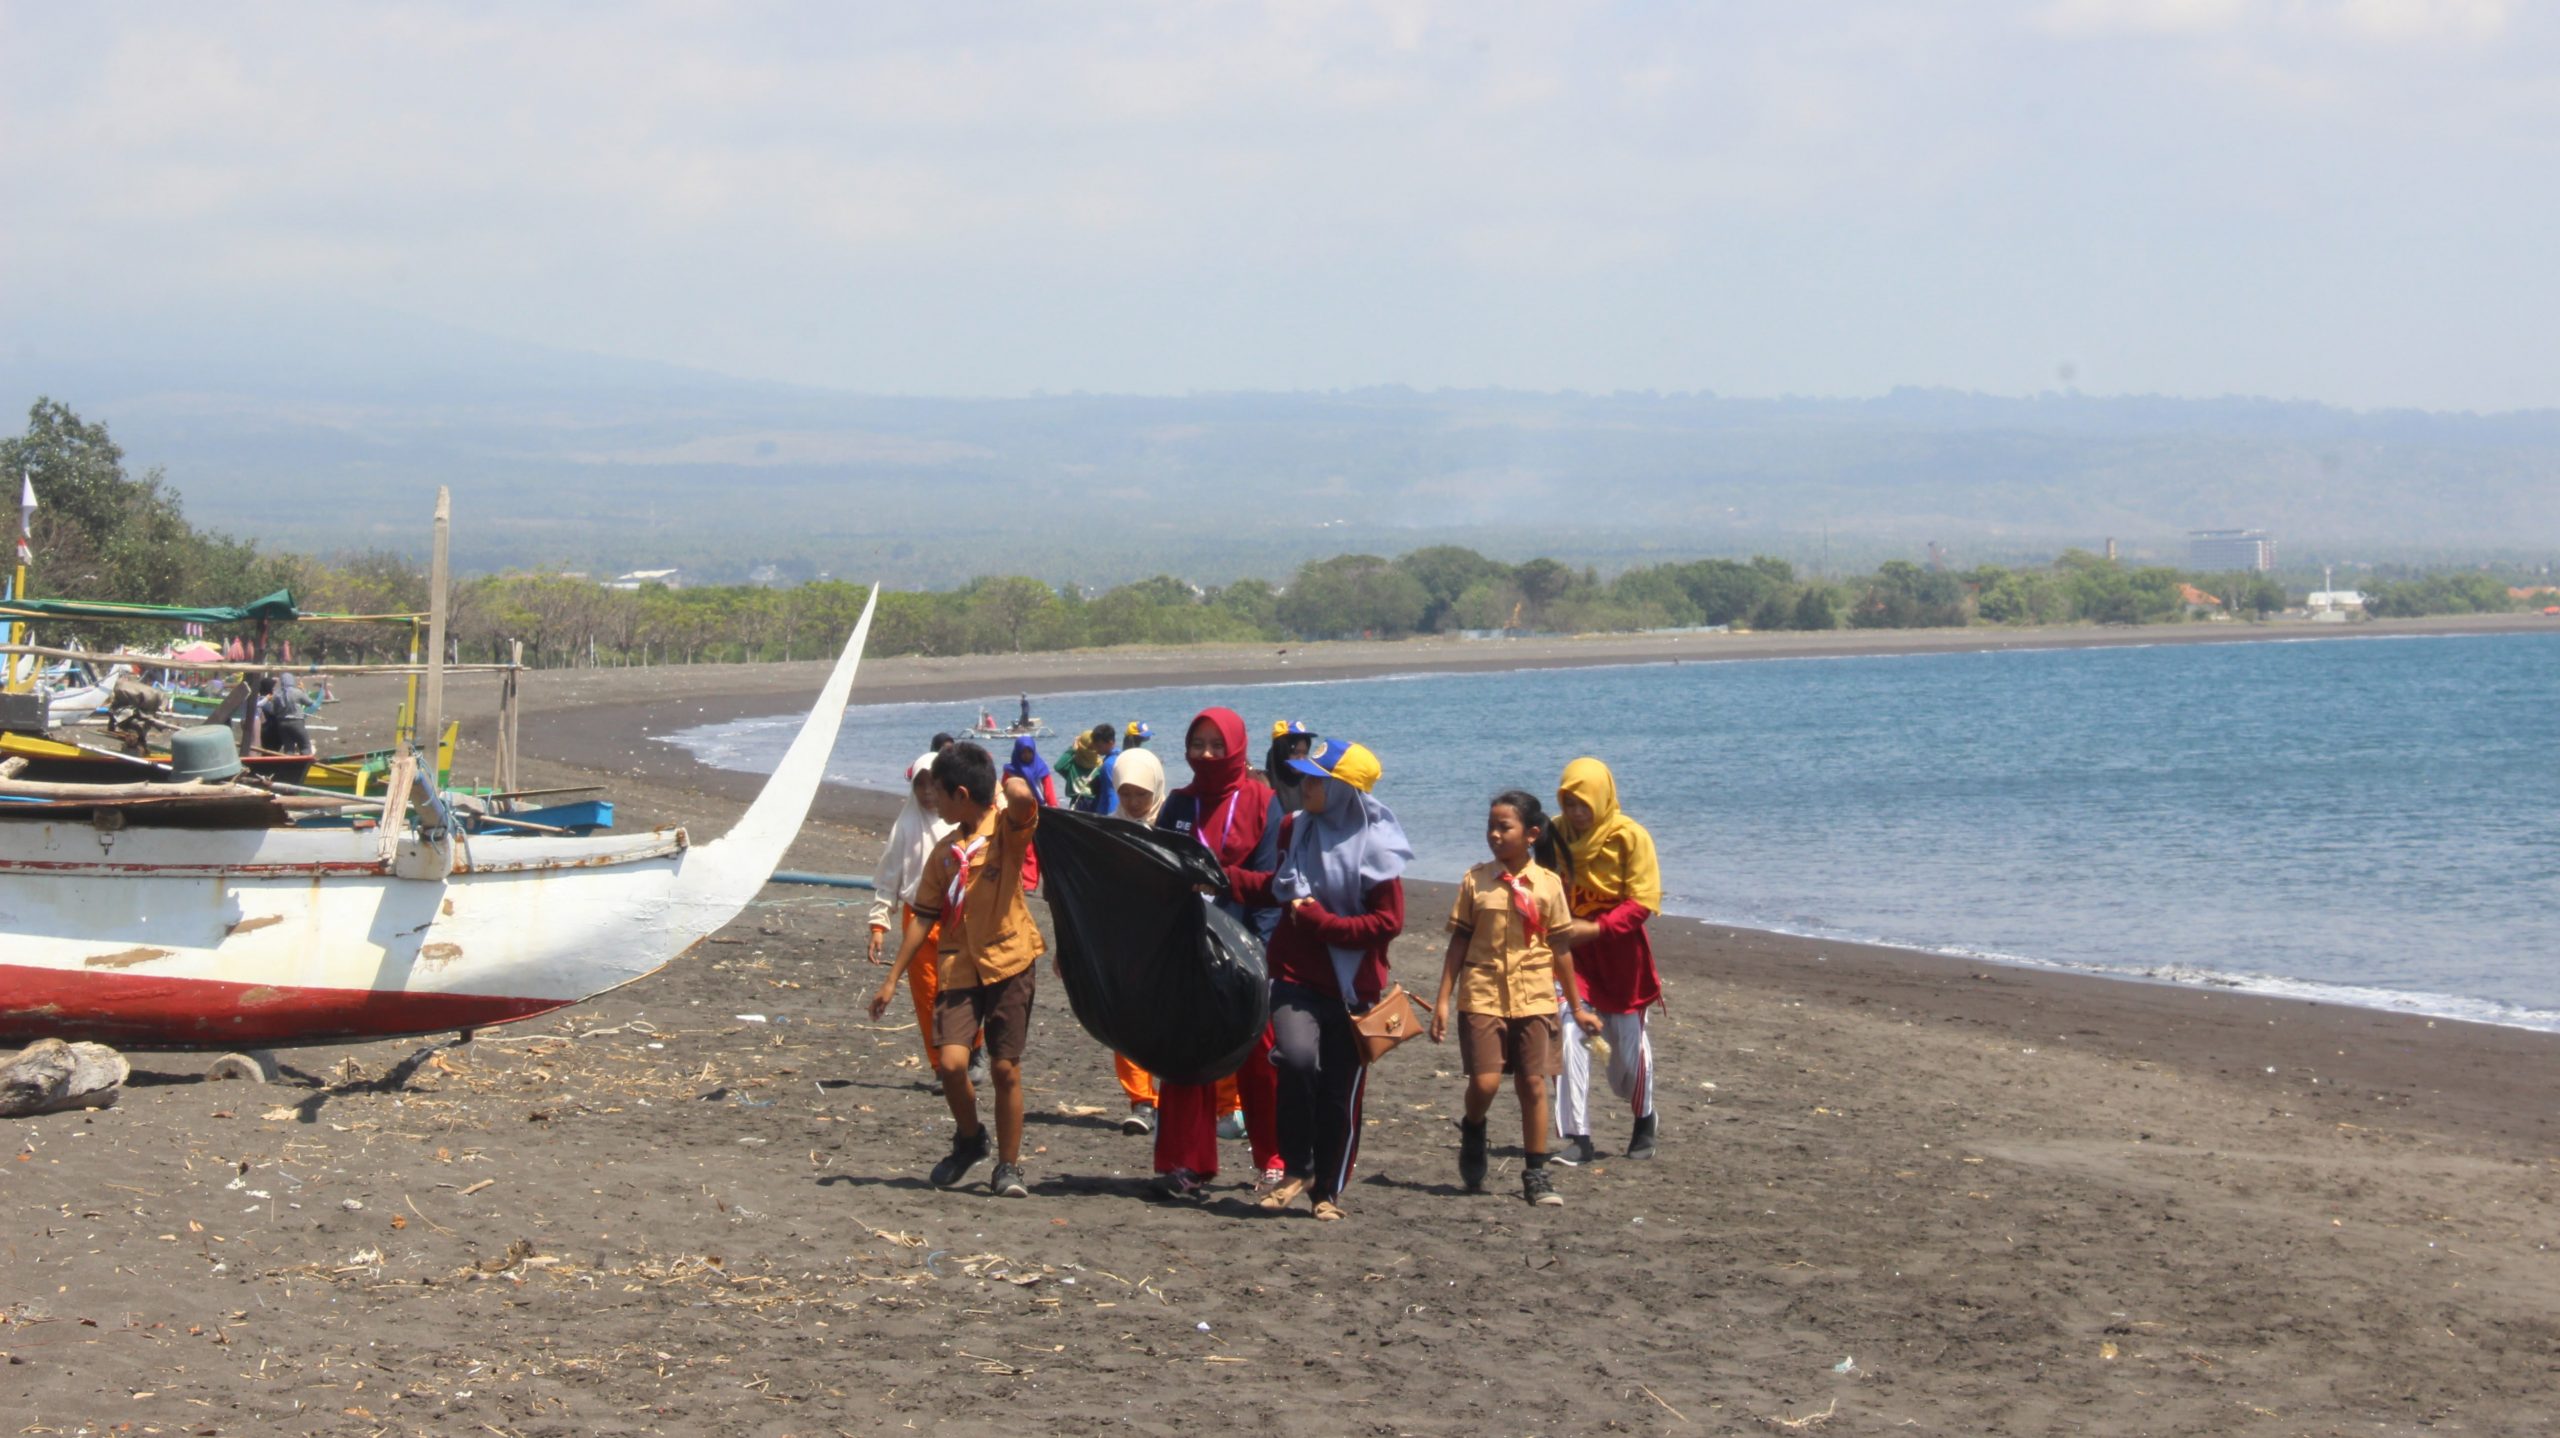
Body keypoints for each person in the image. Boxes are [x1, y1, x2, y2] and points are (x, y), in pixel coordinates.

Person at [1232, 738, 1409, 1220]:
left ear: (1342, 790)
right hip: (1294, 975)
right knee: (1293, 1057)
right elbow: (1279, 887)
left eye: (1314, 778)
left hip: (1354, 990)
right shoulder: (1294, 829)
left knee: (1338, 1094)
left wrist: (1323, 924)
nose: (1302, 784)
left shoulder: (1377, 847)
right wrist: (1221, 877)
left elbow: (1387, 923)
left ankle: (1326, 1192)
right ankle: (1297, 1165)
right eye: (1304, 775)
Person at [869, 743, 1045, 1198]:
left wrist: (1011, 784)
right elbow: (924, 915)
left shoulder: (1005, 833)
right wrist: (891, 978)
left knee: (1006, 1069)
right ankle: (971, 1139)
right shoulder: (945, 853)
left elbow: (1026, 803)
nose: (934, 803)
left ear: (962, 794)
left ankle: (1009, 1166)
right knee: (951, 1064)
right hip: (960, 967)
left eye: (941, 795)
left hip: (1008, 961)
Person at [1146, 707, 1286, 1198]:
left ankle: (1274, 1158)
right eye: (1196, 744)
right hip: (1187, 950)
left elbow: (1271, 888)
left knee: (1261, 1061)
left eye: (1215, 745)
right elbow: (1158, 875)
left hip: (1246, 950)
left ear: (1236, 749)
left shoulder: (1263, 803)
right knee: (1186, 1059)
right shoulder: (1178, 806)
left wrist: (1261, 956)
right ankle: (1185, 1163)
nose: (1205, 754)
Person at [1431, 791, 1592, 1206]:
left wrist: (1577, 1008)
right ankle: (1473, 1125)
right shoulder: (1476, 881)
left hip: (1535, 995)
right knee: (1484, 1083)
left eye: (1505, 828)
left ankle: (1535, 1173)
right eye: (1491, 827)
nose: (1495, 835)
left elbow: (1561, 949)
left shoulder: (1549, 885)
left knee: (1532, 1084)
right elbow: (1459, 944)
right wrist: (1443, 1001)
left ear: (1532, 834)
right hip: (1482, 993)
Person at [1550, 757, 1664, 1163]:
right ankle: (1577, 1136)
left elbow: (1643, 902)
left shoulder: (1630, 837)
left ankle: (1644, 1118)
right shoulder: (1554, 834)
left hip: (1621, 961)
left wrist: (1595, 928)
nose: (1577, 813)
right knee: (1570, 1035)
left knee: (1628, 1059)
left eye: (1584, 803)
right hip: (1573, 961)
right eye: (1569, 803)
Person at [867, 755, 960, 1065]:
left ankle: (970, 1052)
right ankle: (939, 1064)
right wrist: (879, 923)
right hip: (919, 918)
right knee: (929, 993)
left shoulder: (960, 821)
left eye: (933, 785)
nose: (927, 793)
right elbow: (890, 877)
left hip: (958, 917)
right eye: (920, 786)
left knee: (963, 988)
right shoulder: (905, 826)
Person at [1099, 745, 1169, 1135]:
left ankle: (1187, 1099)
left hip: (1169, 939)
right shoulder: (1109, 831)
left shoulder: (1173, 825)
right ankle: (1142, 1101)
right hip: (1125, 940)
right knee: (1127, 1023)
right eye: (1126, 794)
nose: (1135, 802)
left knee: (1174, 1020)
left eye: (1141, 793)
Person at [1002, 738, 1058, 893]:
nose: (1026, 755)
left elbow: (1049, 791)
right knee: (1026, 848)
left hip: (1040, 811)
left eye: (1029, 752)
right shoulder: (1011, 771)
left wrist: (1054, 809)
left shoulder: (1041, 769)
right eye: (1023, 752)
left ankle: (1043, 881)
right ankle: (1029, 883)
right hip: (1019, 813)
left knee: (1042, 848)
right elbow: (1005, 791)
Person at [1079, 724, 1121, 815]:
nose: (1096, 750)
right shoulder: (1120, 758)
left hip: (1106, 813)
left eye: (1099, 746)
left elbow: (1112, 793)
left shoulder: (1108, 765)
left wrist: (1111, 819)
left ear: (1110, 743)